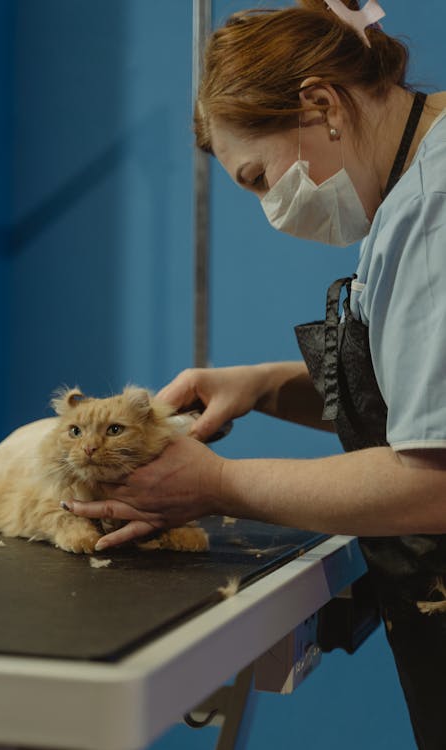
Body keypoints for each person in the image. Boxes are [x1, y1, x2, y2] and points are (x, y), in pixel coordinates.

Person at [64, 1, 446, 745]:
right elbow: (421, 393)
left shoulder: (435, 213)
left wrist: (215, 486)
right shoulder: (410, 186)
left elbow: (435, 478)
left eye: (259, 177)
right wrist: (266, 386)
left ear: (320, 103)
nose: (271, 206)